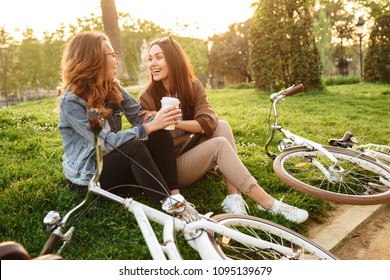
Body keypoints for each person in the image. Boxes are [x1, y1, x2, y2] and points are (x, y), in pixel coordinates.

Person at [138, 36, 308, 223]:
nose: (152, 63)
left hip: (190, 148)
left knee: (222, 126)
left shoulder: (191, 86)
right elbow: (152, 146)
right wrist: (191, 130)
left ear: (173, 59)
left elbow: (209, 120)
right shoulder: (147, 97)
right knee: (218, 144)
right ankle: (269, 204)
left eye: (158, 57)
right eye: (150, 59)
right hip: (171, 167)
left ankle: (233, 197)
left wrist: (176, 123)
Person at [57, 31, 198, 220]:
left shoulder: (111, 86)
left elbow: (138, 116)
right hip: (90, 175)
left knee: (160, 133)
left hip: (115, 164)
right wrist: (148, 127)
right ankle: (172, 209)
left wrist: (158, 119)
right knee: (134, 146)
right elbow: (105, 143)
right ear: (95, 59)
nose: (116, 60)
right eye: (112, 55)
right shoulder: (71, 101)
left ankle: (175, 195)